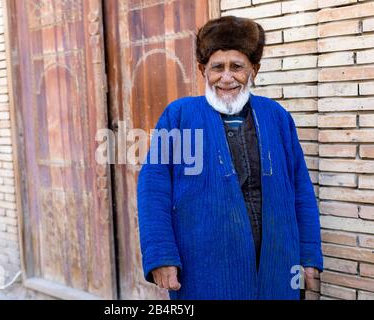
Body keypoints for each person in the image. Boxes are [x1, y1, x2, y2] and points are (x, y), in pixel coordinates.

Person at [137, 15, 323, 300]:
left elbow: (301, 193)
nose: (226, 77)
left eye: (237, 67)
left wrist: (309, 258)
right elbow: (153, 188)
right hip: (205, 269)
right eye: (216, 68)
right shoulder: (178, 116)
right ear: (202, 70)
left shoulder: (277, 117)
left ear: (254, 70)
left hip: (277, 266)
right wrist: (161, 254)